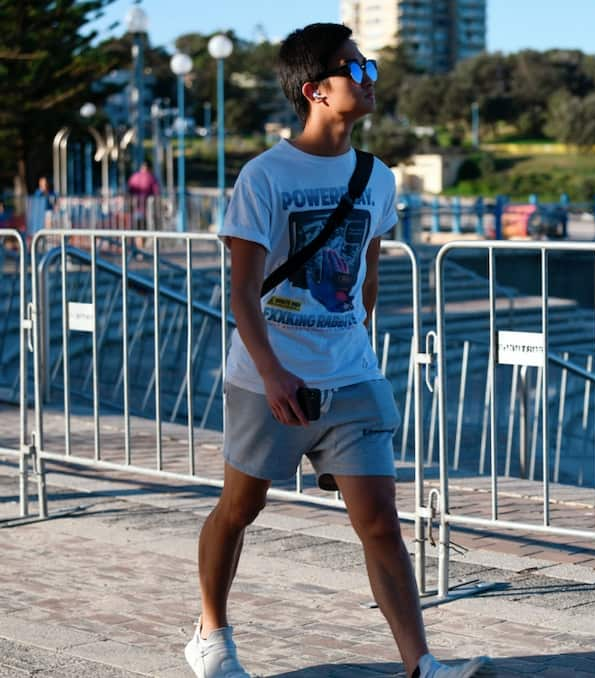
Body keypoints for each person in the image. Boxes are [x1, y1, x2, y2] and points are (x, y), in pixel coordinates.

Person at [184, 22, 496, 678]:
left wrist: (350, 353)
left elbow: (367, 278)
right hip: (268, 376)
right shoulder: (266, 176)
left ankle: (421, 665)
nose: (369, 78)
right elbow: (242, 293)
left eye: (368, 66)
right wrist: (273, 376)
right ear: (314, 91)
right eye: (354, 69)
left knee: (380, 520)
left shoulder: (376, 178)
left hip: (351, 376)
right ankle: (211, 632)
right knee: (241, 509)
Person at [127, 161, 160, 230]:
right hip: (147, 209)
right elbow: (157, 192)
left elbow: (129, 190)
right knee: (146, 228)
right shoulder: (151, 178)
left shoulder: (134, 177)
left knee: (137, 228)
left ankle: (138, 240)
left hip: (135, 207)